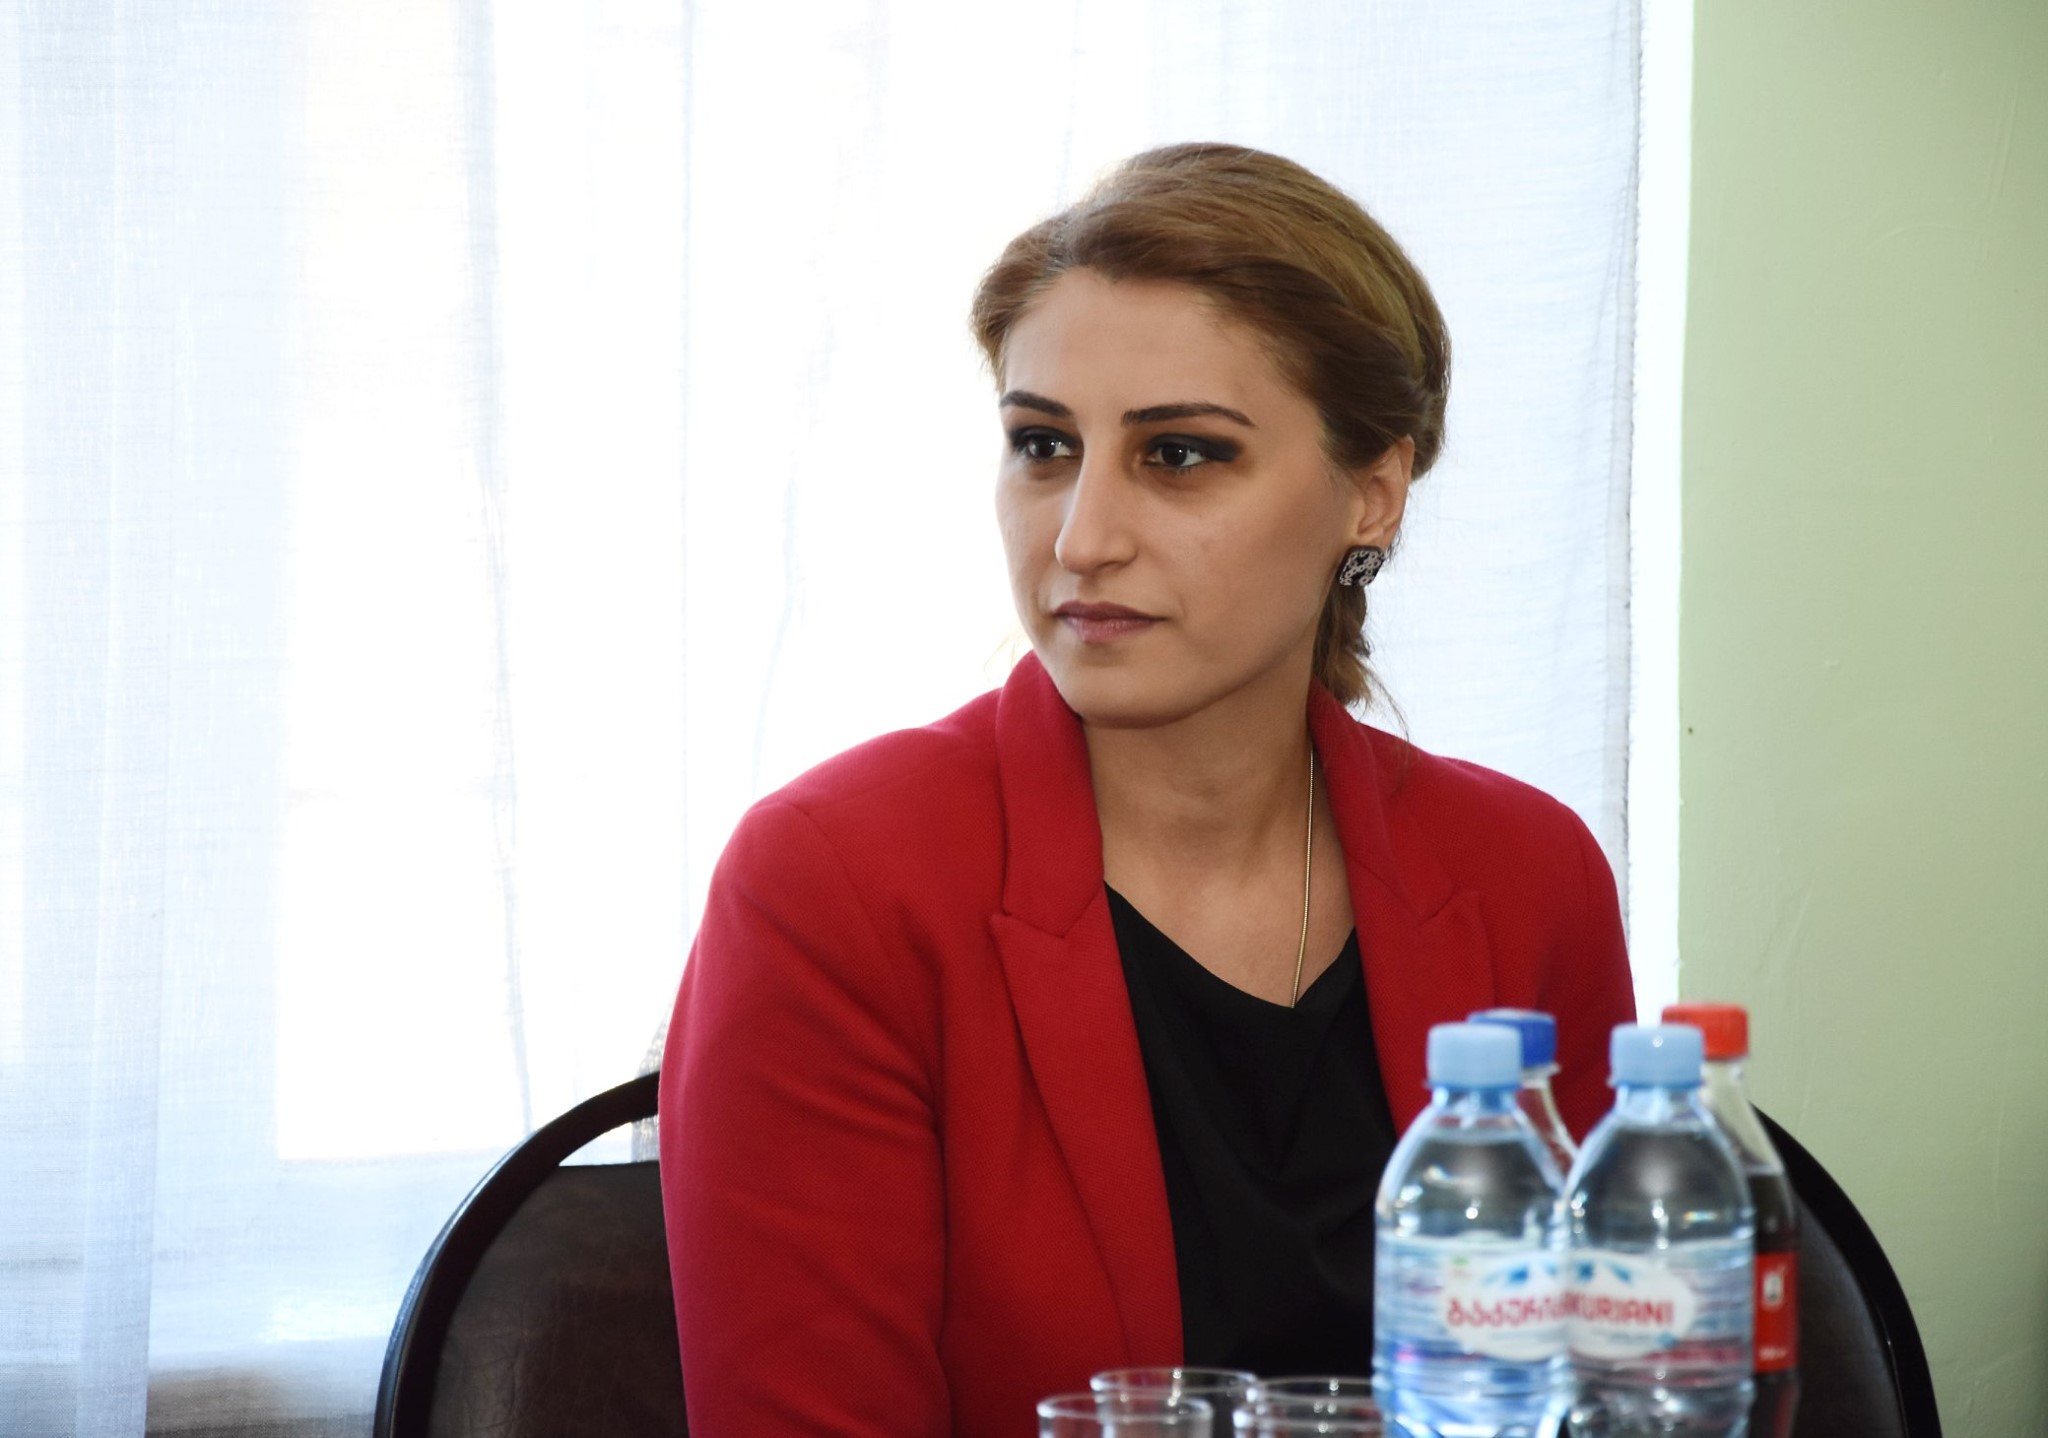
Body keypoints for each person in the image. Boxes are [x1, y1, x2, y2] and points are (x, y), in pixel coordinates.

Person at [657, 142, 1635, 1437]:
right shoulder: (837, 881)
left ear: (1373, 492)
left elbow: (1629, 1390)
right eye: (1043, 445)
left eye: (1179, 455)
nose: (1081, 537)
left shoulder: (1524, 871)